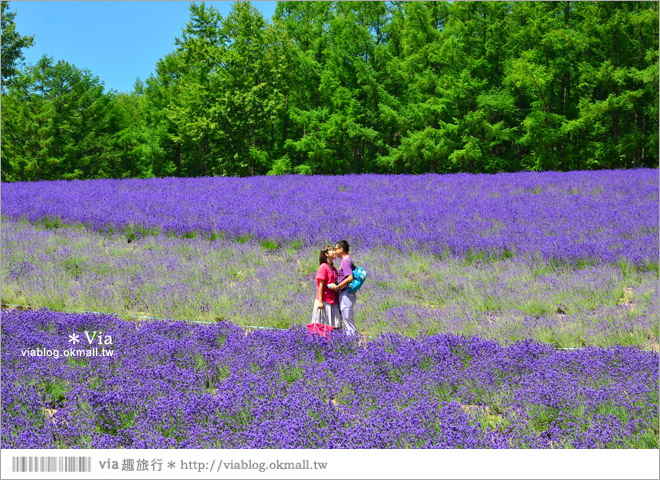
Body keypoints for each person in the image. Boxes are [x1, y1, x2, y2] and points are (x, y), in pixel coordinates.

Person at [329, 239, 358, 336]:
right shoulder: (346, 260)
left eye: (336, 249)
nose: (335, 251)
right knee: (347, 320)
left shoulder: (346, 261)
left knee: (348, 320)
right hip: (346, 294)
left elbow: (350, 278)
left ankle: (352, 343)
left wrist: (338, 287)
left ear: (342, 249)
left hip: (346, 294)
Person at [310, 246, 342, 329]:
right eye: (331, 250)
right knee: (322, 326)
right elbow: (320, 285)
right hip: (324, 301)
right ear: (326, 254)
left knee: (335, 327)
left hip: (333, 301)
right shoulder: (323, 267)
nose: (334, 252)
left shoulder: (334, 268)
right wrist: (320, 301)